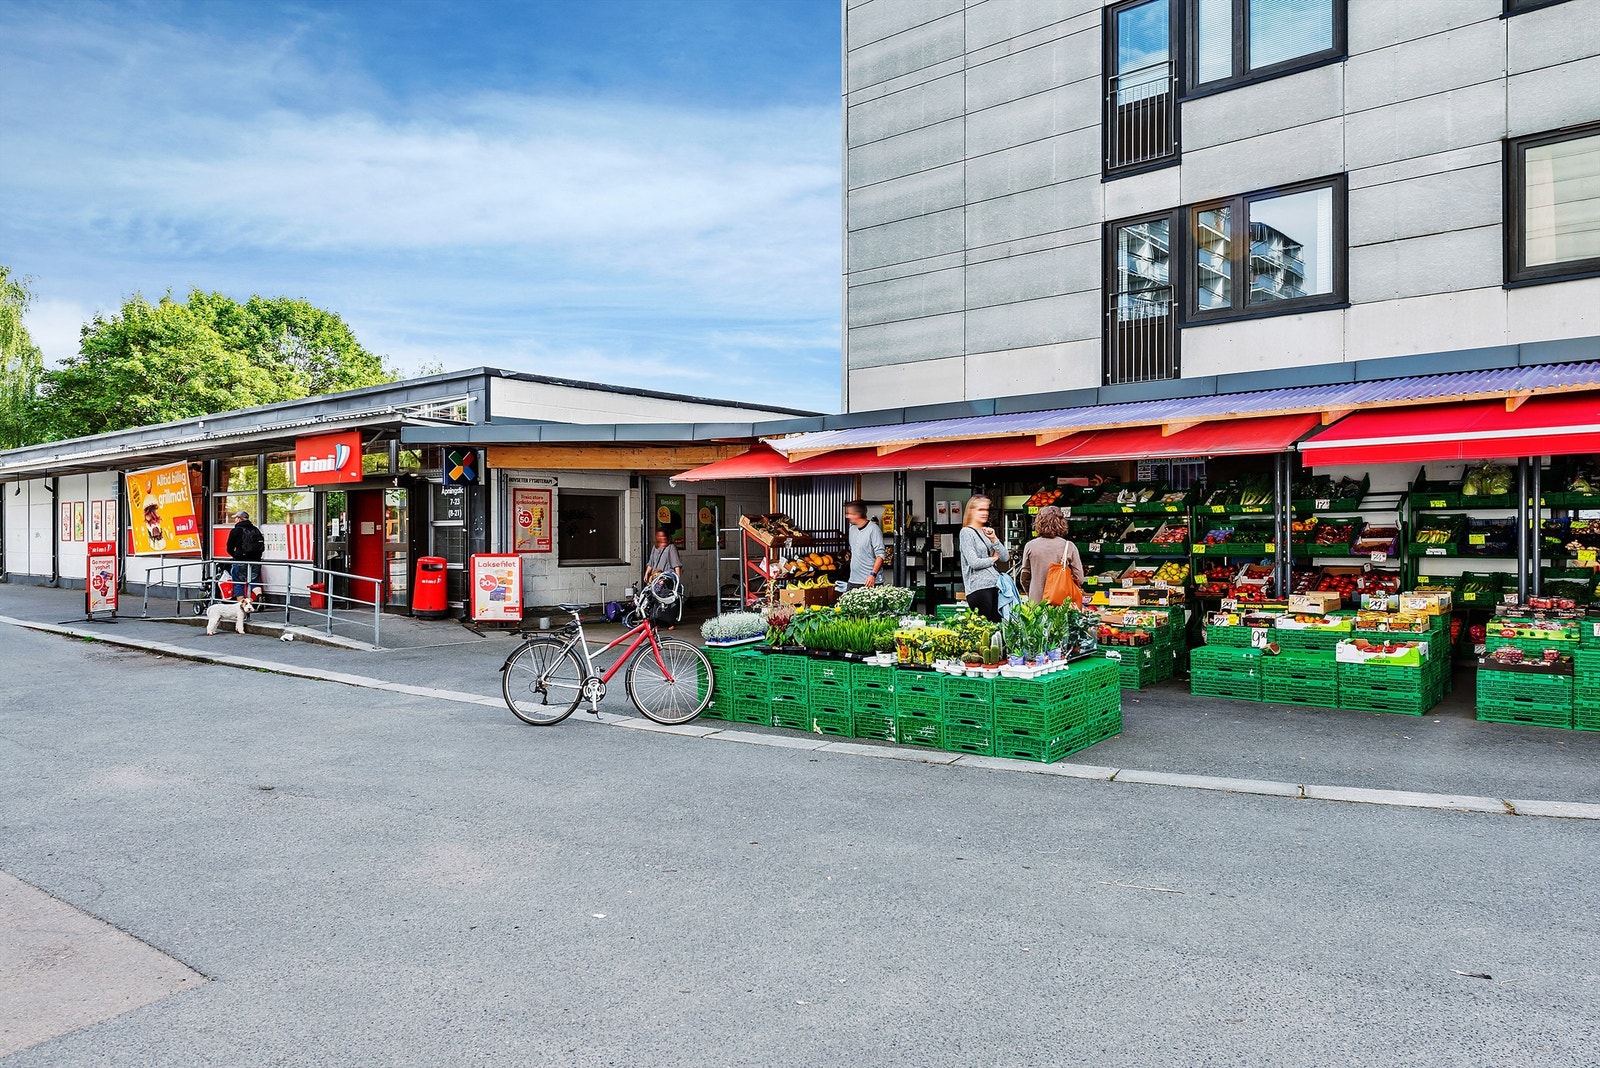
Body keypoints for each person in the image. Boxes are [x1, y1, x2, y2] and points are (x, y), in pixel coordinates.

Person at [1017, 504, 1085, 603]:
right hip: (1062, 602)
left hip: (1036, 601)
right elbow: (1080, 578)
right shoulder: (1069, 546)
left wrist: (1029, 591)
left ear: (1039, 523)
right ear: (1062, 523)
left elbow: (1024, 576)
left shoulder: (1030, 546)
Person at [957, 495, 1009, 623]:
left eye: (986, 510)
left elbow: (1005, 557)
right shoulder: (966, 532)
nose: (985, 513)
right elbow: (974, 562)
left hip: (995, 586)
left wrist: (994, 539)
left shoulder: (986, 532)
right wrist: (992, 559)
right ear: (971, 511)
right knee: (984, 629)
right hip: (978, 588)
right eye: (980, 510)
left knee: (997, 629)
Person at [643, 529, 683, 627]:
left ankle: (670, 621)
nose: (661, 538)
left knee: (666, 599)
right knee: (654, 598)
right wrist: (647, 573)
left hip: (666, 577)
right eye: (659, 536)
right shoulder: (655, 547)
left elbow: (676, 563)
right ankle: (656, 620)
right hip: (656, 577)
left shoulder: (671, 547)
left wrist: (677, 578)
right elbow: (651, 562)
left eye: (663, 536)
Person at [843, 500, 885, 589]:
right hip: (853, 580)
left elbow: (880, 555)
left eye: (849, 513)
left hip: (870, 581)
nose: (847, 516)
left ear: (857, 515)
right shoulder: (852, 530)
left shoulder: (874, 529)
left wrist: (872, 574)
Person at [225, 509, 265, 600]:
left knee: (238, 582)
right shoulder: (256, 530)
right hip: (255, 561)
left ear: (239, 519)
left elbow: (229, 547)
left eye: (236, 518)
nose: (235, 520)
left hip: (240, 560)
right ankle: (260, 596)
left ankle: (242, 606)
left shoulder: (236, 530)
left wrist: (235, 556)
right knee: (254, 580)